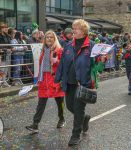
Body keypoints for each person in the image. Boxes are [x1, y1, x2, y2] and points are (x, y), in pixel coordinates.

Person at [55, 19, 100, 147]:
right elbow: (62, 63)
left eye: (76, 28)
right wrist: (57, 79)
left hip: (83, 83)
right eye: (73, 28)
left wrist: (101, 61)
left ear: (84, 31)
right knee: (70, 107)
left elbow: (97, 67)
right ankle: (84, 118)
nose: (73, 30)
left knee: (78, 109)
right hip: (69, 82)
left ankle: (76, 135)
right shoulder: (69, 45)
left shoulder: (91, 46)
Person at [26, 30, 65, 133]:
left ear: (54, 39)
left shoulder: (60, 50)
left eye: (51, 37)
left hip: (55, 80)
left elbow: (65, 63)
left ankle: (61, 119)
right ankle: (35, 124)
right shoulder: (44, 50)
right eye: (47, 37)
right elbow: (41, 66)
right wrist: (39, 78)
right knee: (41, 103)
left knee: (60, 101)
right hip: (44, 80)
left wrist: (56, 61)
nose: (49, 39)